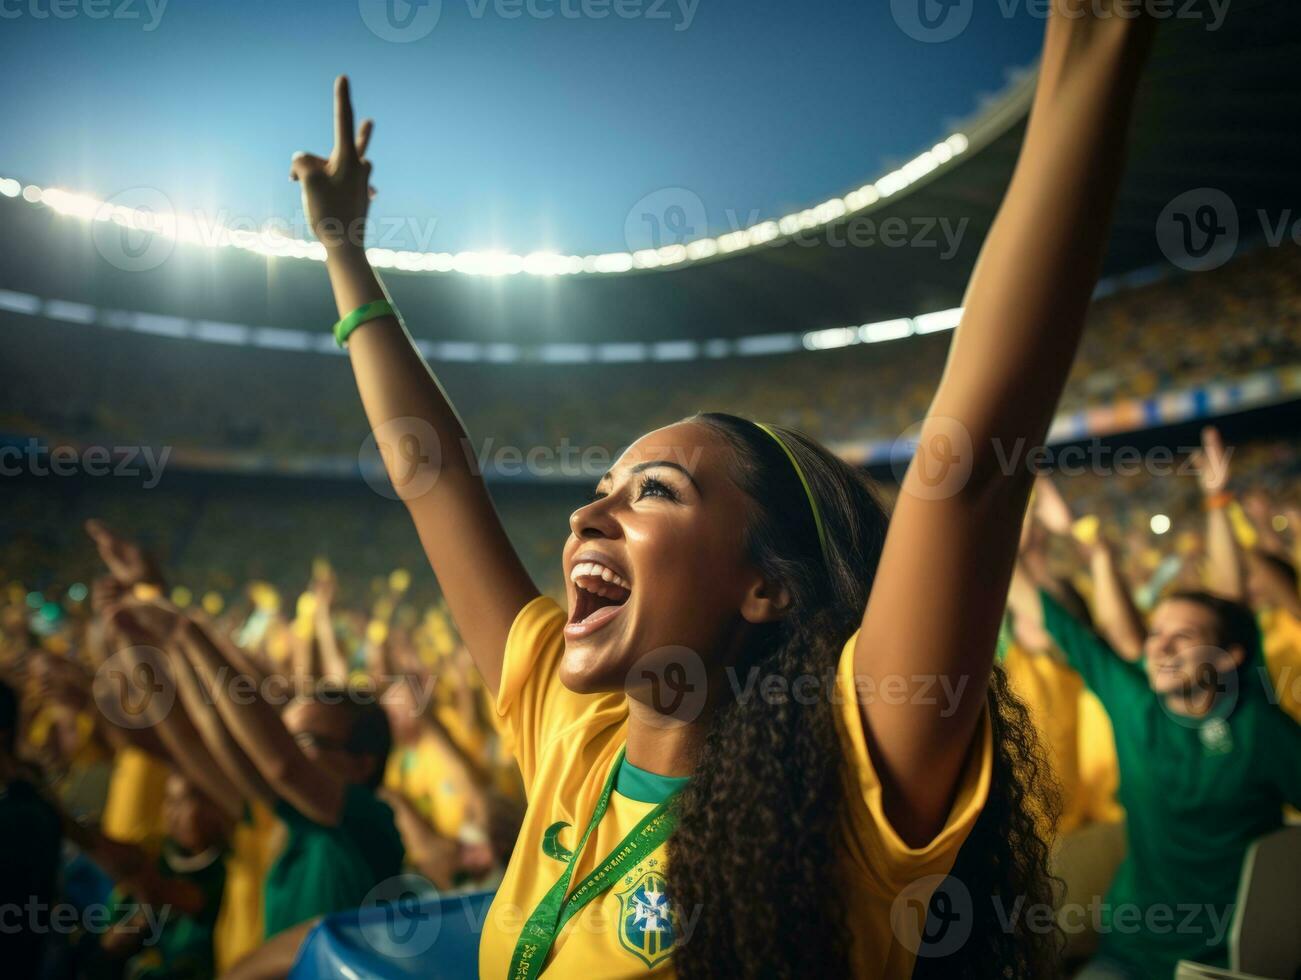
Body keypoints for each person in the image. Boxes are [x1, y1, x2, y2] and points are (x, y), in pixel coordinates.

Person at [288, 3, 1157, 975]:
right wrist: (341, 250)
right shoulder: (571, 728)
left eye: (650, 492)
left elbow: (968, 468)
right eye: (599, 487)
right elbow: (431, 473)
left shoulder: (850, 775)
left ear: (765, 584)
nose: (585, 514)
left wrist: (1100, 35)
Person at [1008, 560, 1301, 978]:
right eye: (1156, 633)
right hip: (1129, 954)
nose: (1159, 648)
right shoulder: (1135, 704)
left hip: (1225, 964)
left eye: (1182, 637)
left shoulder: (1260, 728)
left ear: (1228, 657)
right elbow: (1041, 610)